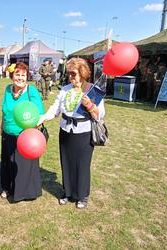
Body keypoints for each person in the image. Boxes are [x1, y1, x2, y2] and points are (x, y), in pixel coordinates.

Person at [38, 58, 105, 209]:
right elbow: (55, 109)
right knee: (66, 163)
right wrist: (42, 118)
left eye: (73, 74)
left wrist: (89, 105)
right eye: (69, 74)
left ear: (82, 73)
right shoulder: (65, 89)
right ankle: (67, 192)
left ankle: (82, 195)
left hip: (84, 133)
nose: (71, 77)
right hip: (65, 131)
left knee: (82, 165)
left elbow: (99, 115)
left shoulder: (92, 90)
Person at [0, 62, 44, 202]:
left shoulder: (32, 92)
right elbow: (4, 109)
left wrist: (33, 130)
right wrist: (2, 126)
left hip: (25, 137)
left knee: (23, 165)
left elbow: (40, 114)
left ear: (27, 76)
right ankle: (7, 188)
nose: (20, 78)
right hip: (8, 133)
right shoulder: (8, 89)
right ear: (12, 76)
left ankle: (24, 192)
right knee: (8, 163)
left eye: (23, 75)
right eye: (17, 74)